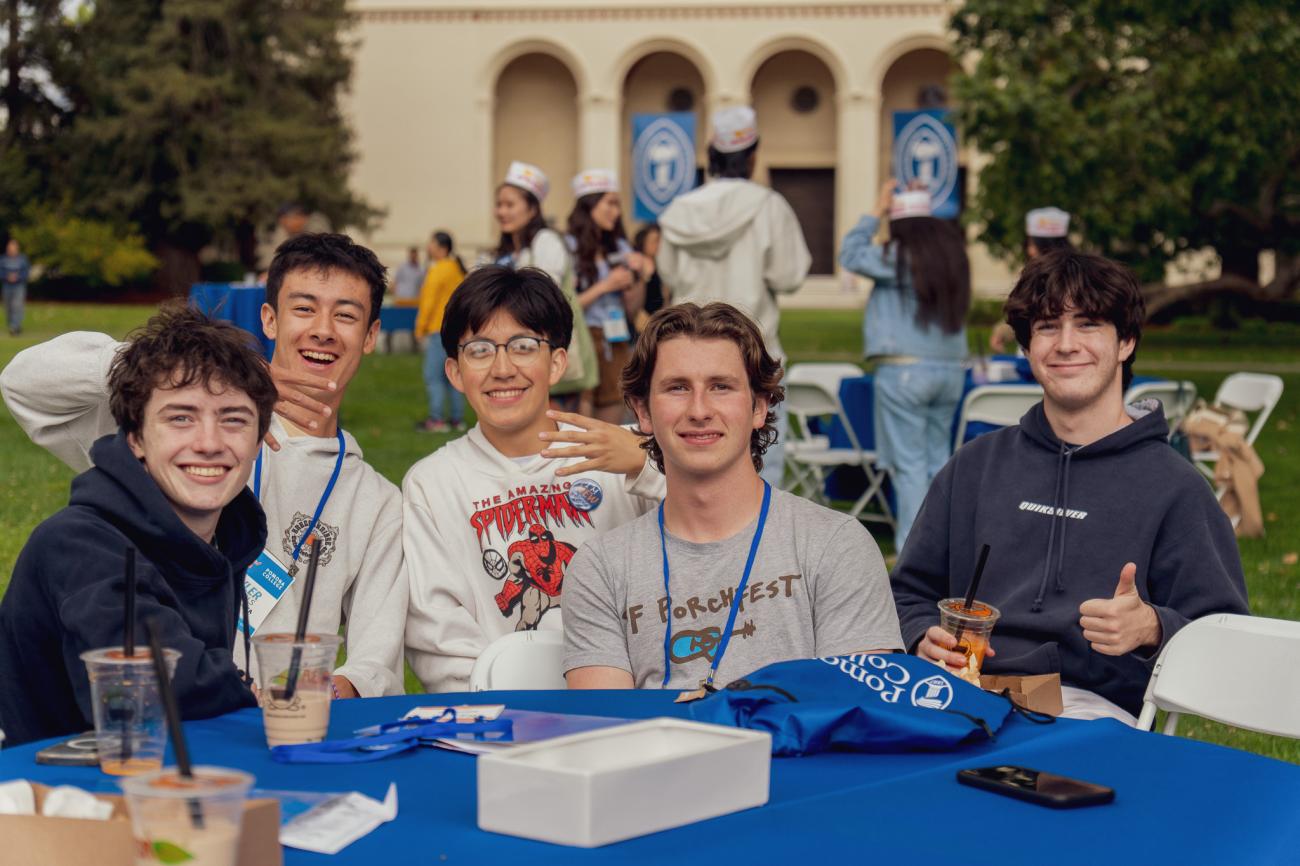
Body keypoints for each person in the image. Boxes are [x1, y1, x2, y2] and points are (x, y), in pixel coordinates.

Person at [1, 233, 408, 700]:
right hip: (154, 709)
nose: (323, 329)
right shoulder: (173, 432)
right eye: (304, 308)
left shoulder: (375, 500)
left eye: (345, 315)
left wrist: (315, 694)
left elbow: (375, 664)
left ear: (371, 335)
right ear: (269, 320)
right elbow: (24, 384)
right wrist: (182, 370)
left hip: (271, 729)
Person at [892, 249, 1249, 722]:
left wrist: (1152, 626)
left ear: (1125, 343)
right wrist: (921, 633)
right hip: (957, 693)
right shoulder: (975, 465)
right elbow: (904, 593)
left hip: (1081, 709)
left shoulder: (1176, 487)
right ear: (1027, 348)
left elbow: (1228, 640)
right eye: (1046, 326)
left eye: (1087, 325)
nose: (1065, 344)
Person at [564, 302, 902, 690]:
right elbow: (608, 735)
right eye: (677, 388)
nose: (699, 410)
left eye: (720, 387)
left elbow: (857, 719)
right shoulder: (600, 569)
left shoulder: (837, 545)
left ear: (759, 406)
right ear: (643, 411)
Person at [0, 306, 276, 746]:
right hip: (50, 798)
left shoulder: (220, 544)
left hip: (164, 785)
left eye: (233, 419)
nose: (208, 443)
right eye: (180, 417)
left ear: (259, 441)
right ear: (135, 439)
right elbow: (145, 689)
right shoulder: (78, 544)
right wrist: (244, 689)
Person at [401, 265, 665, 692]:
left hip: (626, 704)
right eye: (480, 349)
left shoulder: (621, 454)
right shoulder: (432, 485)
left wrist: (649, 465)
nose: (503, 368)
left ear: (557, 362)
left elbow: (715, 537)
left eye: (523, 346)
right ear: (454, 372)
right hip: (499, 716)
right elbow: (438, 636)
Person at [656, 107, 811, 486]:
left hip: (687, 353)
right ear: (753, 155)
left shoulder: (680, 211)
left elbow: (669, 275)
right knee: (764, 461)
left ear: (712, 154)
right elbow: (789, 275)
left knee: (686, 460)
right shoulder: (769, 206)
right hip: (754, 351)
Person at [839, 183, 972, 552]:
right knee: (937, 464)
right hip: (949, 371)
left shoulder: (897, 256)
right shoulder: (952, 258)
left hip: (905, 372)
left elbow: (849, 254)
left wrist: (875, 210)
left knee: (910, 468)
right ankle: (945, 551)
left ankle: (914, 555)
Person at [494, 161, 599, 403]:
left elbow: (540, 296)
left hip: (552, 340)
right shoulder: (512, 251)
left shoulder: (546, 241)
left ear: (532, 210)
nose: (501, 212)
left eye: (510, 205)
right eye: (499, 205)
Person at [565, 169, 649, 422]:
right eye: (610, 204)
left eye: (618, 205)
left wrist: (639, 275)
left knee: (614, 406)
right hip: (582, 337)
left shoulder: (620, 247)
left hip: (616, 336)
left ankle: (605, 463)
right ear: (589, 205)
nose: (616, 212)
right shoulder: (568, 247)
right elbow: (563, 305)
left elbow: (633, 309)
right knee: (581, 412)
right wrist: (606, 285)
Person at [990, 207, 1074, 353]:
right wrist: (1003, 330)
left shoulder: (1059, 277)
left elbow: (1029, 311)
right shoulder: (1078, 272)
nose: (1030, 251)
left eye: (1032, 244)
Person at [415, 230, 468, 432]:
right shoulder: (456, 269)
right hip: (456, 330)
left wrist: (420, 327)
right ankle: (457, 420)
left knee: (433, 376)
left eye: (431, 243)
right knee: (452, 375)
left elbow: (428, 302)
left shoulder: (438, 270)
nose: (429, 247)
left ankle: (436, 420)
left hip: (438, 329)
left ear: (442, 248)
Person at [632, 223, 667, 330]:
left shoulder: (659, 264)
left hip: (657, 318)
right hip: (642, 320)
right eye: (655, 241)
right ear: (643, 242)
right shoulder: (637, 263)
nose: (658, 245)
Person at [2, 238, 31, 336]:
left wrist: (17, 277)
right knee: (8, 307)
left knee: (17, 306)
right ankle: (12, 325)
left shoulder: (22, 259)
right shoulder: (3, 259)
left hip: (19, 286)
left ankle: (15, 327)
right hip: (7, 286)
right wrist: (7, 276)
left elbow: (26, 273)